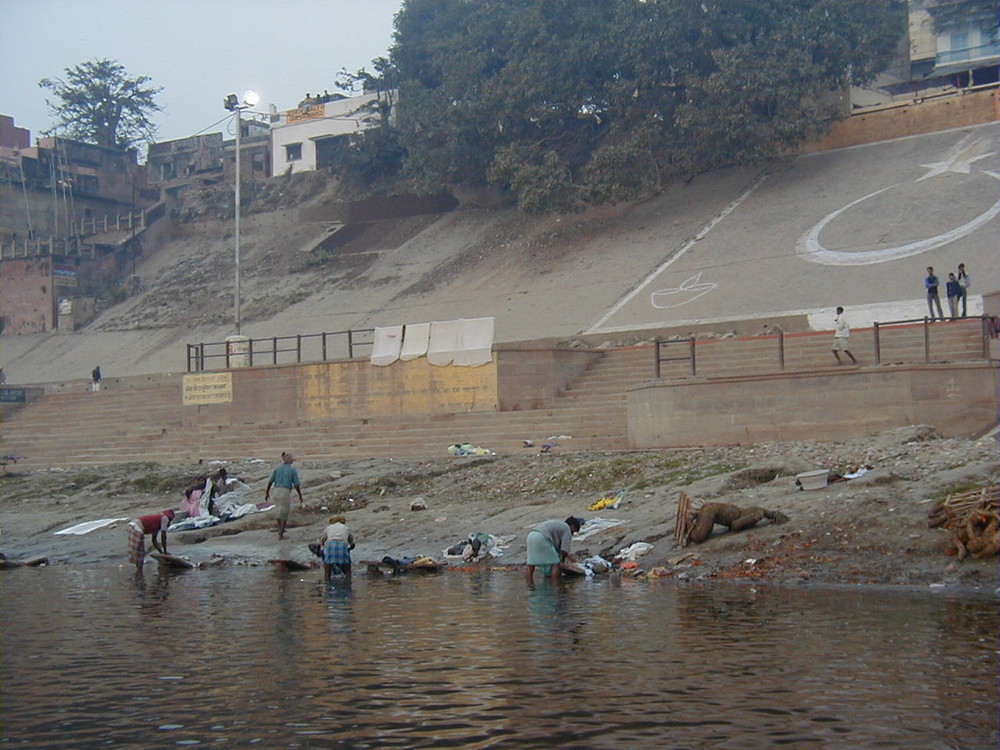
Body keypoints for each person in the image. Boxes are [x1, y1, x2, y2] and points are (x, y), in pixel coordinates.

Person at [524, 516, 583, 584]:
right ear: (572, 526)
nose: (572, 534)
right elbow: (564, 551)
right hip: (542, 537)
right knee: (555, 564)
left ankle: (529, 586)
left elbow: (556, 548)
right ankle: (555, 585)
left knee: (531, 565)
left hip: (531, 535)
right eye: (574, 531)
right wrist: (571, 560)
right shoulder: (567, 529)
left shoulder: (559, 525)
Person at [265, 452, 303, 540]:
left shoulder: (277, 469)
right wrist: (300, 495)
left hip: (276, 491)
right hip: (284, 491)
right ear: (289, 460)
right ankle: (281, 534)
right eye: (292, 458)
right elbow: (296, 484)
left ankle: (280, 530)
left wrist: (267, 493)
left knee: (278, 511)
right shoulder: (292, 470)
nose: (293, 459)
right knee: (284, 513)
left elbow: (270, 481)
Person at [317, 515, 355, 581]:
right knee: (347, 569)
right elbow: (352, 543)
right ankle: (348, 580)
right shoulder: (346, 528)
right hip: (342, 545)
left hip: (330, 546)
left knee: (327, 569)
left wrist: (318, 551)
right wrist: (349, 549)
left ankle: (327, 580)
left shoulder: (328, 528)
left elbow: (320, 541)